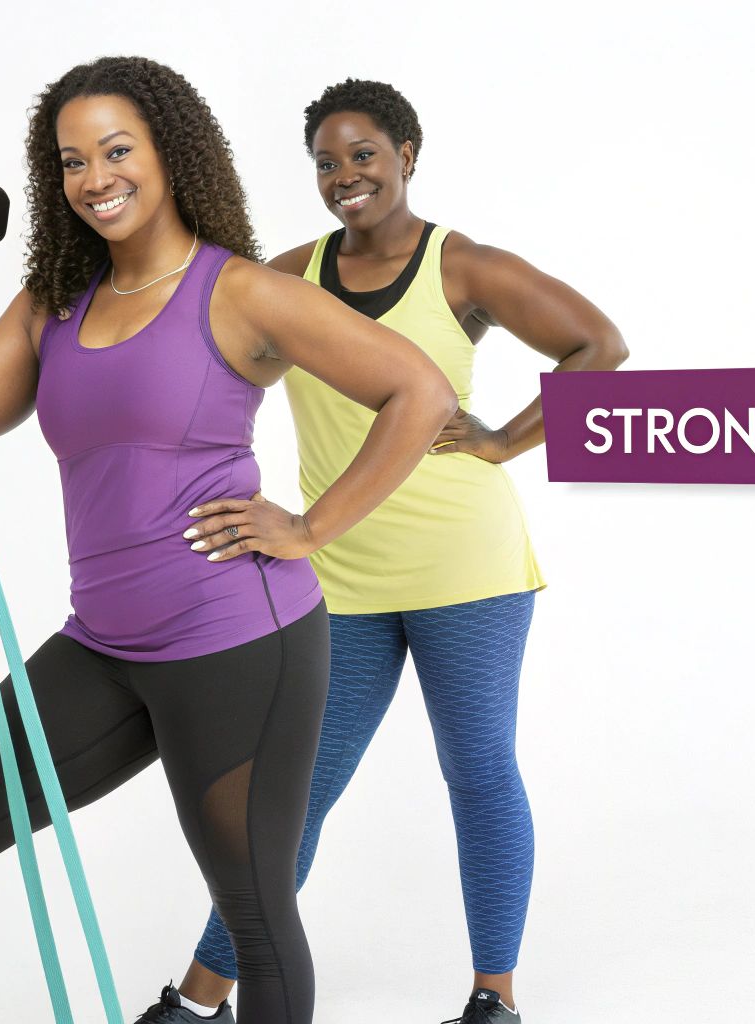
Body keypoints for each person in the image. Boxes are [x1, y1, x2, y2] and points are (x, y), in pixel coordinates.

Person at [0, 57, 458, 1024]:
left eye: (116, 150)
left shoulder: (237, 293)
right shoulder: (57, 301)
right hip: (104, 644)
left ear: (170, 156)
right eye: (71, 161)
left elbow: (419, 392)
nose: (95, 177)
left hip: (237, 644)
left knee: (255, 915)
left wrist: (310, 527)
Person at [150, 79, 629, 1024]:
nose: (344, 177)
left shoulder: (465, 269)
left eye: (363, 155)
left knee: (478, 770)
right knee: (297, 790)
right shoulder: (285, 276)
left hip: (468, 570)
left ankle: (494, 997)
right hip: (335, 572)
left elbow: (599, 348)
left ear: (408, 153)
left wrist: (502, 441)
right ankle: (203, 996)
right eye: (325, 164)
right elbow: (192, 341)